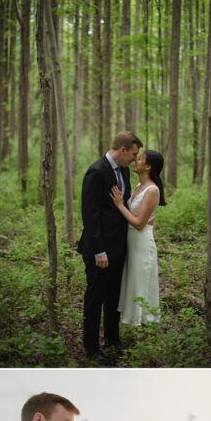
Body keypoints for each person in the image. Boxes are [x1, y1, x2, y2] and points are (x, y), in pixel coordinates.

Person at [78, 131, 142, 365]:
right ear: (122, 150)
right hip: (99, 250)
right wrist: (98, 251)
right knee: (95, 298)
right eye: (133, 154)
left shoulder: (123, 169)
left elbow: (121, 205)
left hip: (119, 246)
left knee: (114, 295)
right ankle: (91, 347)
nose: (135, 160)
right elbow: (90, 214)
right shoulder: (96, 171)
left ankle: (113, 339)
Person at [111, 150, 166, 327]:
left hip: (142, 242)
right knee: (132, 281)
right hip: (131, 242)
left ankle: (144, 324)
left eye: (141, 158)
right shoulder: (137, 186)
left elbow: (139, 223)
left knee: (141, 283)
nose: (137, 159)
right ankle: (132, 321)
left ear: (148, 167)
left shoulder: (152, 190)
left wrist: (119, 205)